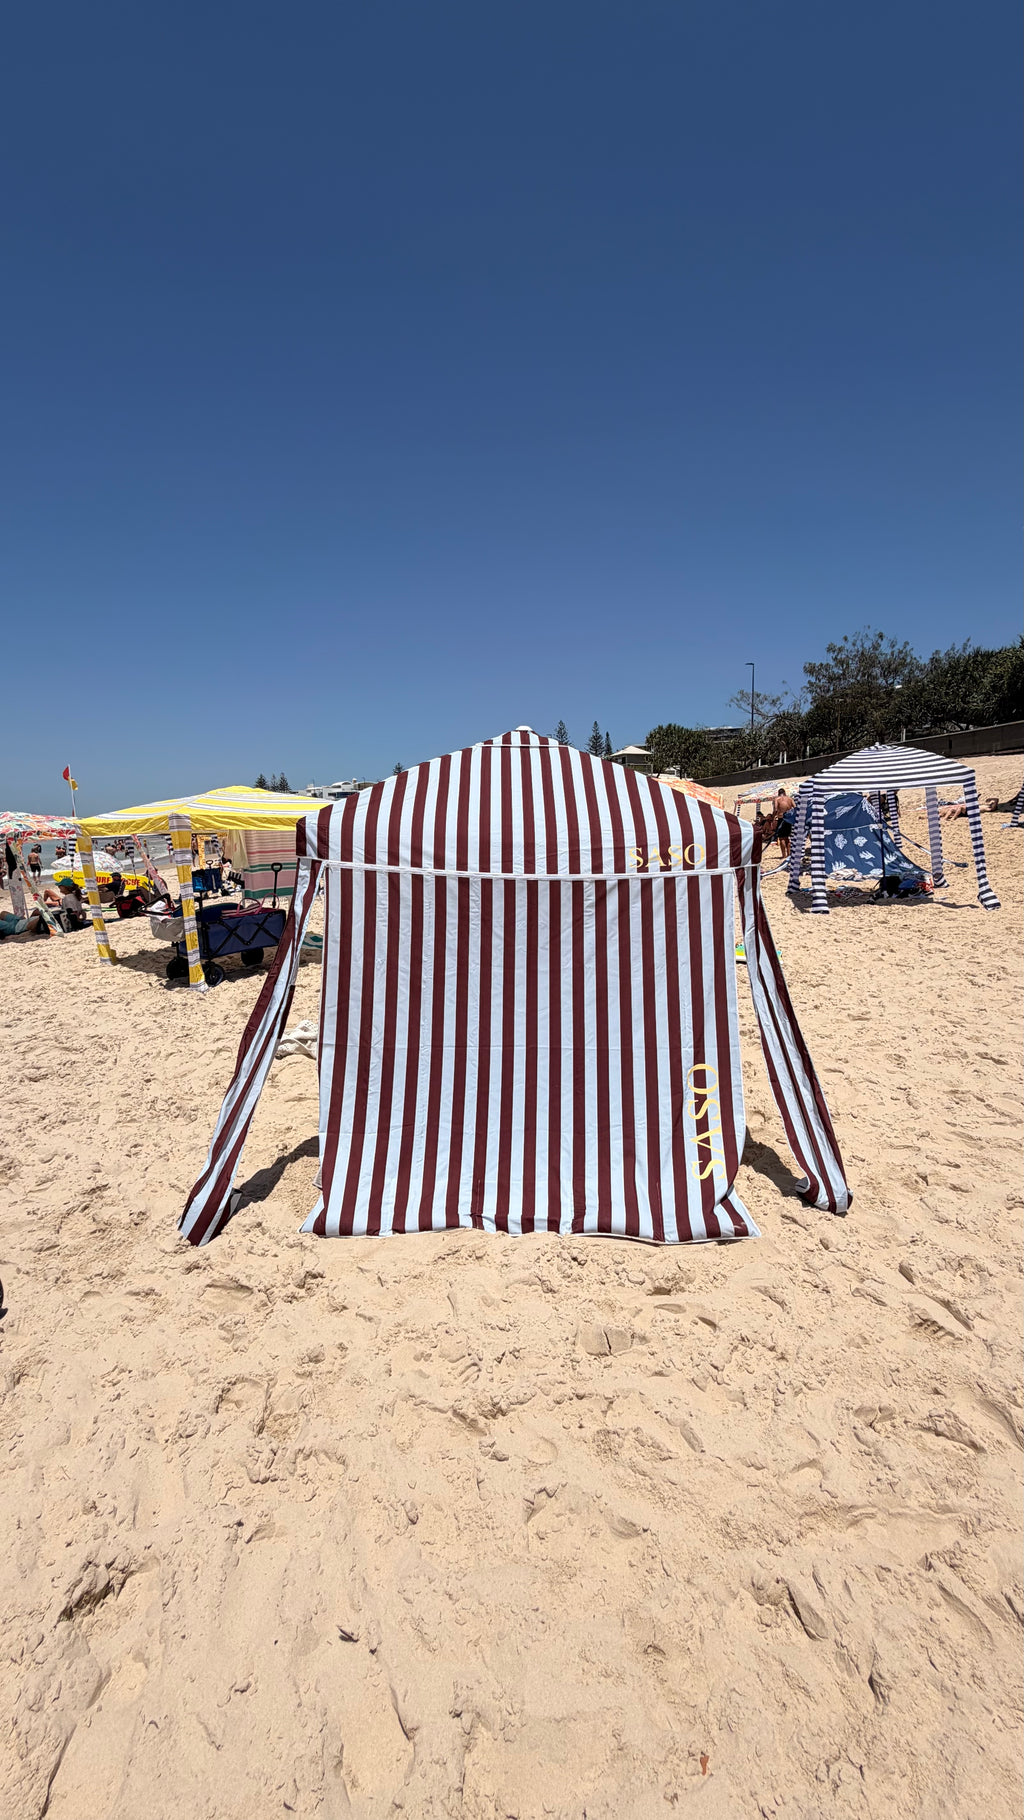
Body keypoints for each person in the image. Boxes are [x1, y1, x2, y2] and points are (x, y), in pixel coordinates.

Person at [773, 788, 796, 859]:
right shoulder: (790, 799)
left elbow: (775, 809)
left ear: (778, 793)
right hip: (789, 819)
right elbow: (795, 807)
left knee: (781, 838)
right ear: (785, 793)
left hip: (781, 818)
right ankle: (789, 854)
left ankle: (784, 855)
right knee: (787, 837)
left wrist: (773, 817)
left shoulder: (777, 799)